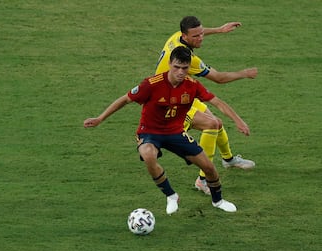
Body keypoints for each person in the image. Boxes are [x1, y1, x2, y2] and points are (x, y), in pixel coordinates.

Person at [84, 47, 250, 214]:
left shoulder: (192, 86)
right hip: (149, 132)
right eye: (176, 67)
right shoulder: (151, 84)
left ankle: (218, 200)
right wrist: (100, 118)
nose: (180, 72)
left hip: (175, 133)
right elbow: (125, 99)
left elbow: (218, 102)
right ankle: (171, 195)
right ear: (170, 64)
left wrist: (239, 121)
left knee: (209, 168)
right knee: (148, 155)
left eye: (184, 68)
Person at [155, 16, 256, 195]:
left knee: (216, 123)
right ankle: (203, 180)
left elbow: (197, 32)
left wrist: (219, 29)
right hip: (168, 103)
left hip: (182, 93)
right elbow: (219, 78)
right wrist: (244, 73)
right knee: (212, 124)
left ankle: (228, 159)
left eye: (201, 33)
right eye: (196, 36)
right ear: (186, 37)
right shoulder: (189, 60)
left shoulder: (177, 36)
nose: (201, 38)